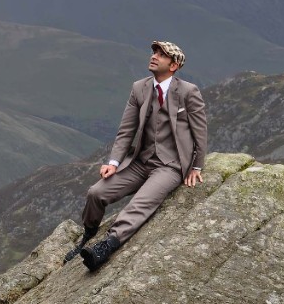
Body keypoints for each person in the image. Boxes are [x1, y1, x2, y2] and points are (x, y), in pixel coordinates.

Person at [67, 40, 208, 271]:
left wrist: (196, 167)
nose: (154, 56)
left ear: (173, 66)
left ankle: (107, 245)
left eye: (161, 55)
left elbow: (200, 132)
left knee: (140, 203)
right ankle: (88, 236)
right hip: (140, 162)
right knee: (96, 193)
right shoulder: (139, 88)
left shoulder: (188, 92)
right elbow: (126, 130)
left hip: (170, 166)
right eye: (154, 52)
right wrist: (113, 163)